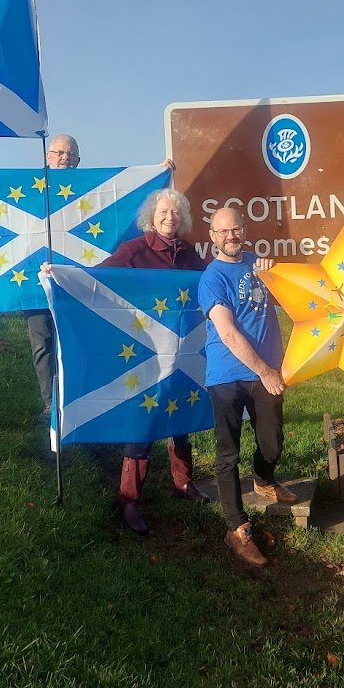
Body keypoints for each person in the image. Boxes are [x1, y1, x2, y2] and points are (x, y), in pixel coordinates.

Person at [98, 187, 209, 535]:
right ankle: (128, 499)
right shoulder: (135, 250)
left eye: (176, 213)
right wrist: (60, 274)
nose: (169, 217)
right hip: (147, 352)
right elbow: (99, 276)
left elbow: (212, 286)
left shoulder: (191, 255)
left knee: (181, 416)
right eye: (163, 212)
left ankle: (184, 483)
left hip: (185, 349)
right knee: (144, 422)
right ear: (152, 215)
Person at [198, 206, 295, 567]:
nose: (231, 236)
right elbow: (226, 332)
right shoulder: (212, 278)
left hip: (266, 371)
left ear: (244, 229)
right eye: (223, 231)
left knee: (272, 443)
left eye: (236, 229)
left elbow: (293, 300)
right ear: (213, 237)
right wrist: (266, 371)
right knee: (227, 454)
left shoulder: (260, 266)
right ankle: (236, 529)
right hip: (227, 376)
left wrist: (276, 276)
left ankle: (263, 479)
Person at [26, 134, 79, 425]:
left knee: (72, 343)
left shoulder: (92, 190)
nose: (64, 158)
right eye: (59, 152)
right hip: (35, 282)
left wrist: (161, 172)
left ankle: (72, 399)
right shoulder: (30, 187)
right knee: (42, 343)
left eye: (70, 155)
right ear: (48, 155)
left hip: (72, 284)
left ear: (78, 161)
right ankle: (49, 402)